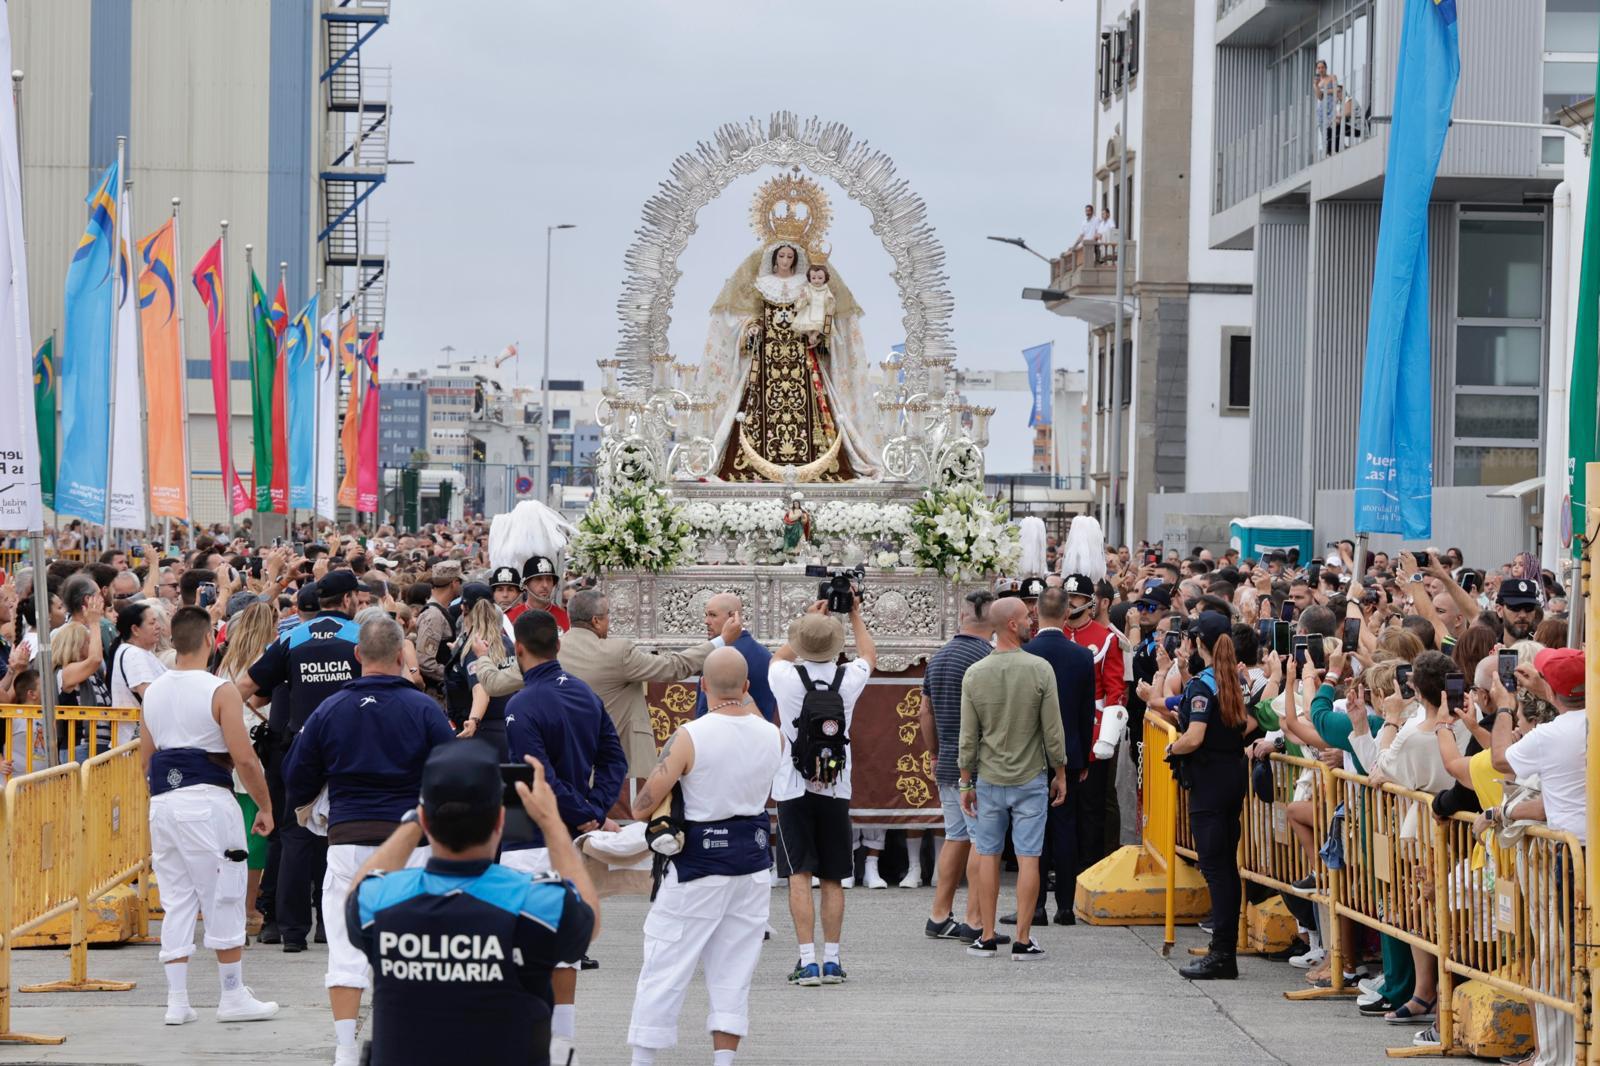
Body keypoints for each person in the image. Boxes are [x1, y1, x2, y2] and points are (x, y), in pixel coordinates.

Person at [347, 744, 597, 1066]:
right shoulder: (537, 902)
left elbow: (355, 894)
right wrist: (551, 824)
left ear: (426, 819)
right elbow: (589, 917)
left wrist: (413, 824)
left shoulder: (380, 900)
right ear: (500, 820)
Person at [283, 614, 458, 1066]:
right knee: (412, 944)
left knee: (343, 947)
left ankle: (344, 1048)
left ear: (357, 655)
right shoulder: (424, 709)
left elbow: (297, 775)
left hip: (348, 836)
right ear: (402, 656)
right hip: (410, 840)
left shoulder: (331, 708)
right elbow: (454, 771)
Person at [626, 647, 785, 1066]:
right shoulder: (772, 734)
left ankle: (644, 1059)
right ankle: (724, 1062)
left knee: (666, 962)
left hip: (697, 863)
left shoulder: (689, 735)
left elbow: (643, 806)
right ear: (749, 687)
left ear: (701, 685)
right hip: (750, 863)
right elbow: (745, 707)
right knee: (735, 968)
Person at [140, 606, 279, 1026]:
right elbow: (245, 758)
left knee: (177, 898)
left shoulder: (155, 691)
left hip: (164, 800)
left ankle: (178, 1000)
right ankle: (232, 994)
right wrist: (266, 806)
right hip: (207, 798)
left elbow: (146, 760)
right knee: (225, 891)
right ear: (208, 641)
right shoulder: (220, 691)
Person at [502, 607, 627, 1064]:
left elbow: (540, 779)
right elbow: (615, 761)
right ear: (558, 646)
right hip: (572, 840)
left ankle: (530, 1041)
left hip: (532, 838)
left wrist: (583, 814)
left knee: (521, 948)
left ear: (518, 649)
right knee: (565, 948)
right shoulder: (584, 694)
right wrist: (592, 811)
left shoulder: (521, 704)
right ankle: (562, 1043)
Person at [236, 569, 363, 954]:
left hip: (300, 747)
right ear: (347, 600)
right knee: (341, 835)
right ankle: (332, 925)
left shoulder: (293, 638)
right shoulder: (360, 637)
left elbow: (244, 685)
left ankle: (293, 932)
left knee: (294, 837)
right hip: (349, 748)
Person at [770, 598, 876, 985]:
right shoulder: (848, 679)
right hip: (835, 784)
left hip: (792, 784)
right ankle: (833, 959)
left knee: (799, 873)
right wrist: (854, 614)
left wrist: (810, 620)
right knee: (832, 876)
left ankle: (806, 960)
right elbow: (868, 654)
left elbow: (779, 656)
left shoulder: (783, 676)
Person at [958, 597, 1067, 961]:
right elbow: (1052, 730)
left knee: (988, 855)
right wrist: (1060, 771)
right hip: (1030, 776)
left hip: (989, 778)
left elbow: (968, 736)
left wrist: (964, 781)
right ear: (1011, 625)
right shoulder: (1039, 669)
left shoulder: (975, 673)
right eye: (1025, 618)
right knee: (1029, 857)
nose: (1031, 622)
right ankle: (1022, 938)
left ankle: (987, 935)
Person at [1166, 612, 1257, 979]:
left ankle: (1222, 954)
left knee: (1216, 869)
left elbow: (1195, 737)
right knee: (1225, 869)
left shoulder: (1205, 685)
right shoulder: (1233, 679)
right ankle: (1224, 948)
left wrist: (1174, 750)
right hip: (1231, 775)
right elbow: (1246, 723)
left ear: (1198, 642)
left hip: (1210, 781)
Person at [558, 588, 724, 781]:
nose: (610, 620)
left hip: (568, 764)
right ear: (596, 621)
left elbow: (514, 678)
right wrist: (720, 642)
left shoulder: (552, 651)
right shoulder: (617, 653)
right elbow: (673, 667)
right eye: (608, 615)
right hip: (619, 769)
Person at [1021, 586, 1099, 925]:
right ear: (1067, 614)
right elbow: (1085, 712)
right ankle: (1065, 906)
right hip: (1069, 752)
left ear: (1035, 613)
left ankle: (1035, 905)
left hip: (1029, 755)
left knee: (1033, 830)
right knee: (1066, 829)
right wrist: (1081, 758)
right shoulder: (1081, 656)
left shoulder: (1025, 651)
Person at [919, 591, 994, 941]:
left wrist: (933, 752)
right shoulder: (988, 658)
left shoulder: (939, 657)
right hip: (976, 765)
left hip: (947, 758)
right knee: (982, 840)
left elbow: (925, 712)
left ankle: (938, 914)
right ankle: (974, 920)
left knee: (956, 835)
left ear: (961, 617)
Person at [214, 601, 280, 937]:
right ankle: (248, 907)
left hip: (225, 747)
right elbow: (256, 698)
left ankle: (231, 902)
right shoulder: (264, 658)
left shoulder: (227, 658)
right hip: (252, 750)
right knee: (256, 833)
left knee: (233, 829)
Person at [692, 593, 775, 723]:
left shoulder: (721, 657)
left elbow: (704, 712)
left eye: (713, 615)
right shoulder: (765, 654)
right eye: (706, 615)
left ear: (732, 617)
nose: (706, 621)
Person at [111, 601, 166, 747]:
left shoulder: (139, 652)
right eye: (152, 622)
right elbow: (151, 696)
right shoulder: (134, 655)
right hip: (134, 745)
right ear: (135, 629)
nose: (158, 626)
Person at [415, 560, 463, 706]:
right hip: (438, 695)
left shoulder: (439, 610)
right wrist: (455, 675)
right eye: (460, 582)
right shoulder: (433, 615)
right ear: (454, 583)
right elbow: (425, 662)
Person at [507, 555, 570, 631]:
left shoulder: (566, 618)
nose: (545, 585)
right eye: (538, 579)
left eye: (549, 579)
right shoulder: (509, 618)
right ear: (525, 584)